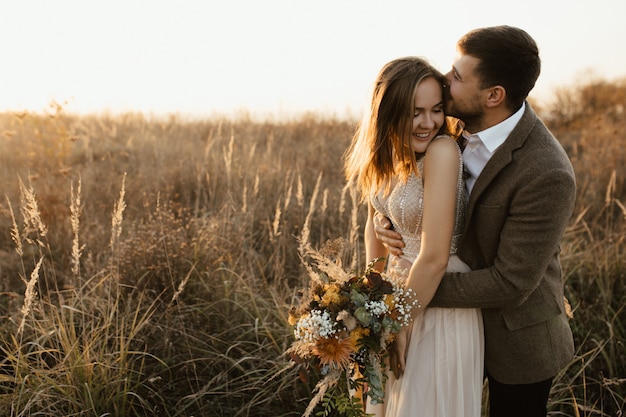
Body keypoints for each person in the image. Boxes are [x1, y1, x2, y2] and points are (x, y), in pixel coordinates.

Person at [374, 26, 576, 417]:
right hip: (440, 323)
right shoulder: (448, 126)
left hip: (516, 338)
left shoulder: (547, 172)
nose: (444, 82)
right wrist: (390, 222)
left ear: (494, 95)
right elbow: (415, 186)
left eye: (457, 76)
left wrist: (408, 293)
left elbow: (510, 283)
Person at [344, 56, 484, 417]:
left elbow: (435, 255)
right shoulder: (384, 156)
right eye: (415, 112)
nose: (428, 123)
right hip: (393, 299)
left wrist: (398, 324)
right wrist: (368, 305)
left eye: (436, 110)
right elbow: (374, 228)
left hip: (436, 301)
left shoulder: (441, 151)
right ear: (388, 111)